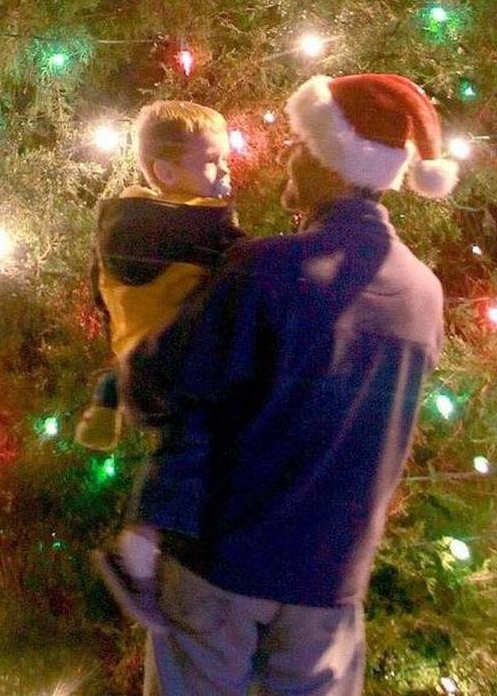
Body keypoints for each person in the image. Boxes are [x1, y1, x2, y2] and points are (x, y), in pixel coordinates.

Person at [123, 73, 457, 695]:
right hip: (329, 588)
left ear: (333, 162)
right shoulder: (424, 296)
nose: (287, 154)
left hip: (220, 571)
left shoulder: (267, 270)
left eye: (302, 144)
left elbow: (157, 384)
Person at [76, 100, 244, 631]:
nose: (226, 172)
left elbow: (100, 293)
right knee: (191, 444)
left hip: (140, 357)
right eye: (213, 161)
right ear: (167, 172)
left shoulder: (123, 222)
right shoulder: (201, 230)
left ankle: (160, 550)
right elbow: (249, 263)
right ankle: (137, 552)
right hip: (171, 361)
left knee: (188, 445)